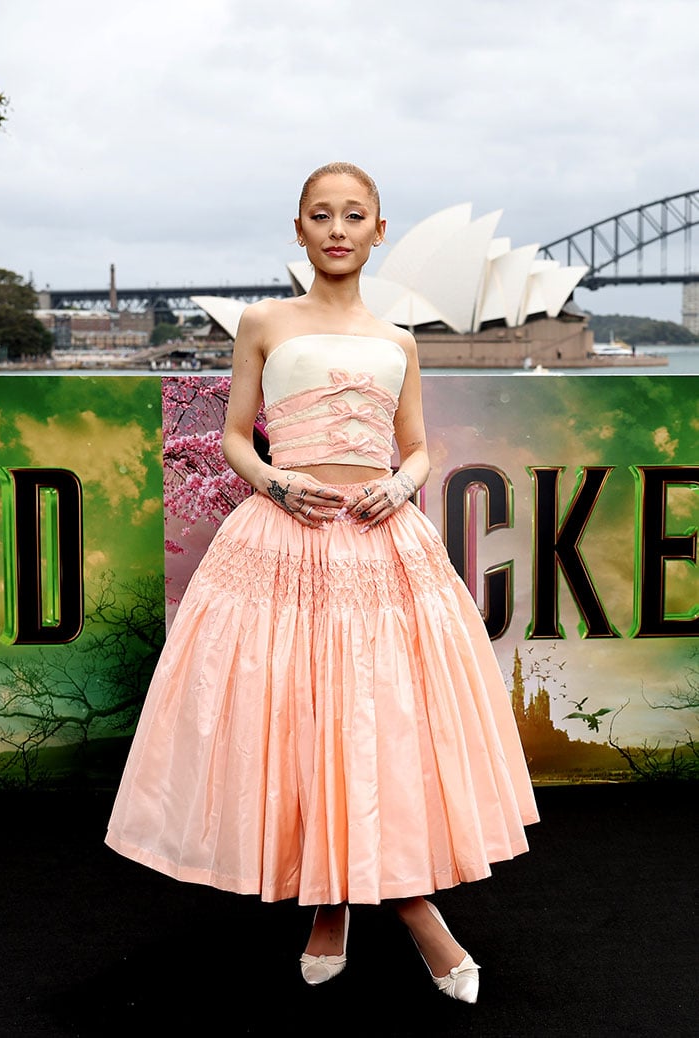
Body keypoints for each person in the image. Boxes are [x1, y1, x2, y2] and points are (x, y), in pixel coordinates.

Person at [105, 161, 539, 1004]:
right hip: (283, 541)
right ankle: (391, 917)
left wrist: (403, 483)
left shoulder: (400, 341)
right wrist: (273, 481)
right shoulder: (265, 322)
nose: (337, 229)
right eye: (320, 215)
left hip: (380, 544)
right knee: (301, 720)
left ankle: (348, 912)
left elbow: (416, 444)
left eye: (354, 216)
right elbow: (236, 436)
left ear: (379, 231)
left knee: (376, 724)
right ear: (298, 230)